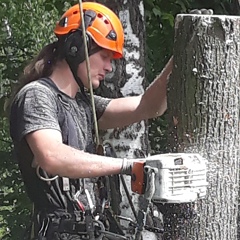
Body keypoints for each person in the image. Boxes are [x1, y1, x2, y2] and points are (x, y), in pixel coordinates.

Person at [9, 2, 173, 239]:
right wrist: (128, 166)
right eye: (105, 56)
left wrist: (181, 55)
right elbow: (52, 156)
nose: (109, 67)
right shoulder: (37, 95)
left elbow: (147, 106)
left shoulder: (83, 104)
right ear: (77, 47)